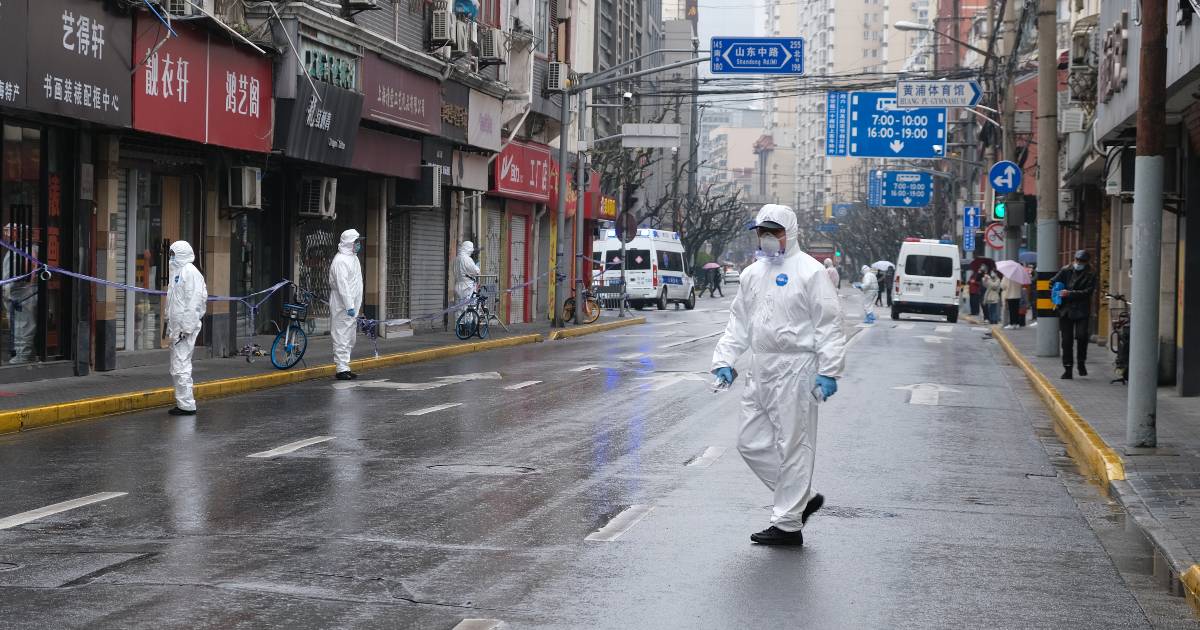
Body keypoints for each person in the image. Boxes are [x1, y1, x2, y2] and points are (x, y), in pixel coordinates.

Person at [711, 204, 846, 546]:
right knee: (749, 442)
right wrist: (724, 359)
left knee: (794, 445)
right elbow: (738, 322)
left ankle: (788, 524)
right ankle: (803, 498)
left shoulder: (810, 272)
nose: (768, 238)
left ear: (791, 232)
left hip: (797, 367)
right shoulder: (751, 274)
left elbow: (828, 324)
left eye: (775, 231)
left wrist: (829, 370)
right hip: (761, 367)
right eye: (762, 232)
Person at [164, 241, 207, 416]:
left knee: (181, 365)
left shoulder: (190, 272)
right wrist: (170, 324)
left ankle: (187, 405)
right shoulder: (178, 273)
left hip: (184, 329)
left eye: (174, 253)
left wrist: (186, 328)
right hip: (178, 328)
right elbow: (173, 302)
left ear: (181, 253)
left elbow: (194, 302)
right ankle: (183, 402)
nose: (171, 257)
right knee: (177, 365)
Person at [1051, 250, 1096, 379]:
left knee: (1082, 336)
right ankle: (1068, 368)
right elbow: (1052, 282)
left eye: (1081, 261)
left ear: (1086, 262)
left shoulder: (1091, 274)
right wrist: (1057, 290)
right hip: (1066, 310)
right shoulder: (1066, 270)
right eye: (1077, 260)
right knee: (1066, 341)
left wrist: (1069, 293)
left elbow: (1088, 292)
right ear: (1074, 259)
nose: (1078, 263)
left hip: (1082, 310)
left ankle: (1081, 362)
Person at [329, 229, 364, 381]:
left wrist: (355, 305)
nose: (358, 244)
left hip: (352, 306)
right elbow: (343, 286)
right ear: (349, 243)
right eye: (356, 242)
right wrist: (349, 305)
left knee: (350, 337)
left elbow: (355, 283)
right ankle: (341, 368)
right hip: (341, 305)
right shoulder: (340, 260)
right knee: (341, 336)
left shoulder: (353, 258)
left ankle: (346, 366)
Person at [2, 224, 37, 364]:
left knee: (23, 325)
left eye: (8, 231)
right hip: (16, 293)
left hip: (23, 294)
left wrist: (10, 289)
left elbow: (29, 272)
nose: (5, 234)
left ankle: (22, 357)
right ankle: (22, 355)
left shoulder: (24, 249)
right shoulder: (17, 248)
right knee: (18, 326)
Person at [452, 240, 481, 312]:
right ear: (467, 249)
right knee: (468, 309)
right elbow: (476, 271)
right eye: (471, 250)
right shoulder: (467, 259)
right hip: (467, 286)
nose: (471, 252)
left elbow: (454, 271)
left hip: (458, 285)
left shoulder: (456, 259)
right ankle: (467, 323)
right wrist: (477, 267)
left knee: (459, 309)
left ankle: (459, 323)